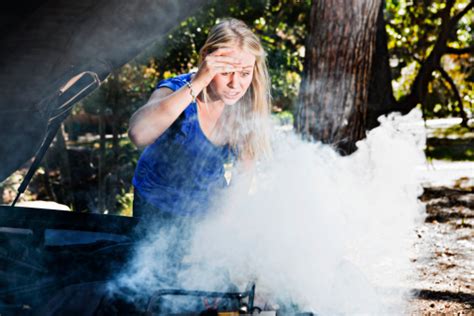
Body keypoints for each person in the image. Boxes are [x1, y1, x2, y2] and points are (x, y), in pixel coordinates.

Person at [128, 18, 271, 223]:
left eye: (245, 73)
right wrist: (199, 81)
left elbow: (243, 176)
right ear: (206, 60)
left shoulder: (247, 107)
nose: (235, 84)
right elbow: (138, 134)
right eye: (226, 72)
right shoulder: (177, 88)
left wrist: (224, 224)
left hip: (206, 208)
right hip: (155, 204)